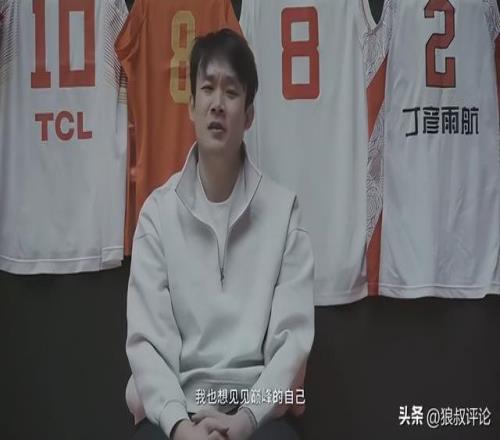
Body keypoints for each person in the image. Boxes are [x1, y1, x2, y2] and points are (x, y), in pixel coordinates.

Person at [125, 28, 314, 440]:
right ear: (191, 106)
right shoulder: (157, 214)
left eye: (231, 92)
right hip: (178, 407)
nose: (217, 103)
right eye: (207, 88)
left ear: (248, 115)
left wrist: (245, 420)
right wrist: (180, 427)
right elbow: (147, 345)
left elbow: (292, 344)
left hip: (256, 411)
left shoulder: (284, 212)